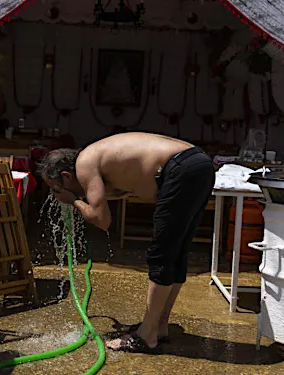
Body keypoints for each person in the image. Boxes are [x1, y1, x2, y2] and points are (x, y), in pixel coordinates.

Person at [38, 132, 215, 354]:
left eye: (57, 189)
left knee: (162, 255)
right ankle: (158, 326)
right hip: (198, 164)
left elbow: (102, 221)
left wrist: (72, 200)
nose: (58, 195)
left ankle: (146, 336)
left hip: (181, 170)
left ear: (66, 176)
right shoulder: (99, 156)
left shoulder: (85, 164)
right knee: (176, 252)